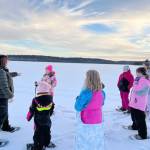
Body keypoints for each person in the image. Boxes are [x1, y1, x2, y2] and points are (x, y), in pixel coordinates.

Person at [75, 70, 105, 150]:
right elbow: (101, 103)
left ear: (88, 79)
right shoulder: (102, 92)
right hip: (98, 119)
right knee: (95, 140)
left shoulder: (86, 93)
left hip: (86, 120)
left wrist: (78, 98)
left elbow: (77, 107)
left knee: (85, 141)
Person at [27, 81, 55, 150]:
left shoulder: (35, 100)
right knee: (47, 131)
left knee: (38, 133)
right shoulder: (51, 100)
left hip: (38, 121)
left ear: (39, 90)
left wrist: (28, 117)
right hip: (47, 120)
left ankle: (37, 147)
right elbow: (51, 110)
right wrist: (49, 115)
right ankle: (46, 143)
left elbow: (31, 110)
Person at [0, 55, 20, 133]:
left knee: (4, 113)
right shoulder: (1, 71)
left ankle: (5, 126)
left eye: (7, 60)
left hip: (3, 96)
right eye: (5, 60)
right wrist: (10, 95)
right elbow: (4, 85)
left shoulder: (3, 69)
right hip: (2, 96)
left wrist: (14, 74)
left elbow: (6, 75)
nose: (7, 61)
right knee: (2, 114)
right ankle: (5, 126)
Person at [128, 67, 150, 140]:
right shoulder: (138, 79)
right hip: (134, 102)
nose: (136, 73)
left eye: (137, 72)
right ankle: (135, 126)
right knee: (134, 116)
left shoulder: (145, 80)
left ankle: (143, 135)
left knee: (140, 119)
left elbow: (142, 92)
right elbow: (134, 89)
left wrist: (135, 85)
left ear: (141, 72)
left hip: (139, 103)